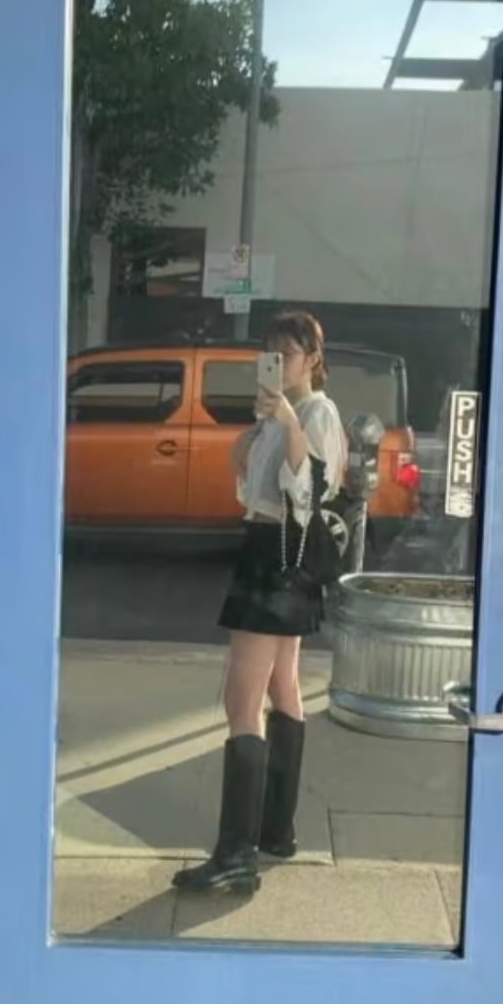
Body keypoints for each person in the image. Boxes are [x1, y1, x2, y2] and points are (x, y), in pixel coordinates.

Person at [172, 310, 347, 895]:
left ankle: (235, 856)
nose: (275, 363)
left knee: (240, 700)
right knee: (282, 686)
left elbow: (310, 490)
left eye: (287, 354)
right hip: (274, 551)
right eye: (269, 353)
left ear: (313, 360)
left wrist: (287, 422)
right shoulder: (279, 414)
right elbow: (252, 491)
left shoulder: (316, 412)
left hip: (276, 556)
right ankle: (275, 830)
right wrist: (249, 442)